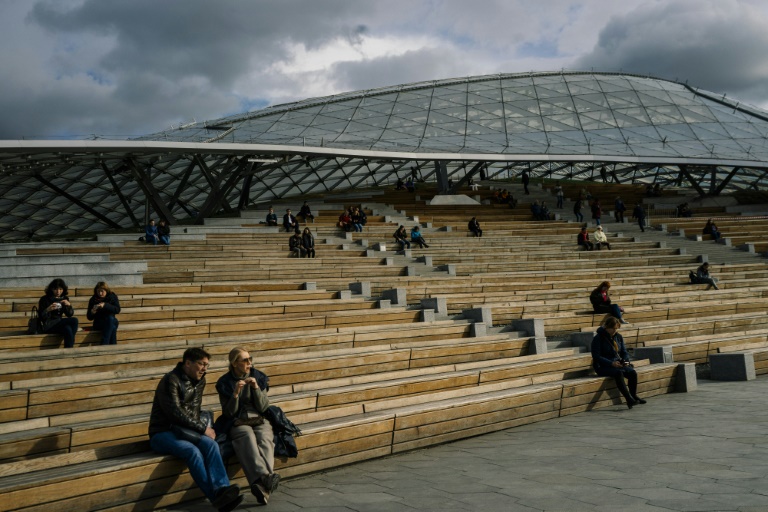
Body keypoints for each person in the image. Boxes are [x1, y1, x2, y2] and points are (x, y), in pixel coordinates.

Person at [148, 348, 244, 512]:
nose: (204, 368)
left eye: (207, 365)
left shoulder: (200, 381)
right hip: (162, 433)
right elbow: (175, 413)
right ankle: (217, 498)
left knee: (211, 445)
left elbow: (194, 411)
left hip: (185, 431)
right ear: (187, 363)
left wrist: (201, 430)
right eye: (201, 364)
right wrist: (202, 428)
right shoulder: (170, 380)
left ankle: (222, 489)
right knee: (192, 451)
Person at [215, 347, 280, 505]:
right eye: (245, 360)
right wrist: (235, 393)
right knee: (247, 438)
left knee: (265, 438)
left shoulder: (259, 376)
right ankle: (266, 478)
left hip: (259, 418)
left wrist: (256, 388)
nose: (249, 363)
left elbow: (264, 407)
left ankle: (262, 485)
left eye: (250, 359)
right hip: (237, 420)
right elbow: (229, 413)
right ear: (234, 363)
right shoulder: (224, 382)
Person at [591, 316, 646, 409]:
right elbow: (596, 356)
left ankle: (634, 395)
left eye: (616, 328)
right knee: (618, 373)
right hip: (602, 366)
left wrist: (625, 361)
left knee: (632, 373)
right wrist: (611, 363)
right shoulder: (598, 338)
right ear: (606, 327)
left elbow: (624, 352)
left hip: (617, 363)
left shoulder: (618, 337)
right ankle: (629, 399)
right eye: (613, 328)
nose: (615, 331)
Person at [38, 278, 79, 348]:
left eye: (60, 289)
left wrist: (69, 305)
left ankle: (68, 349)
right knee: (74, 320)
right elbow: (41, 317)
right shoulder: (44, 299)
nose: (58, 291)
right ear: (51, 289)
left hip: (59, 323)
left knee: (68, 328)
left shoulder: (64, 298)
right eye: (56, 289)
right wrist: (48, 309)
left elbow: (69, 314)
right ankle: (71, 345)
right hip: (49, 324)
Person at [86, 281, 120, 345]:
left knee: (111, 319)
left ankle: (104, 344)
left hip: (110, 321)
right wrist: (92, 312)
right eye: (98, 291)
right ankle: (111, 346)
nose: (100, 293)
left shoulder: (112, 297)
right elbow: (89, 317)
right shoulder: (93, 299)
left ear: (106, 291)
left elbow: (117, 310)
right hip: (99, 323)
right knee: (113, 326)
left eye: (102, 291)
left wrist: (105, 305)